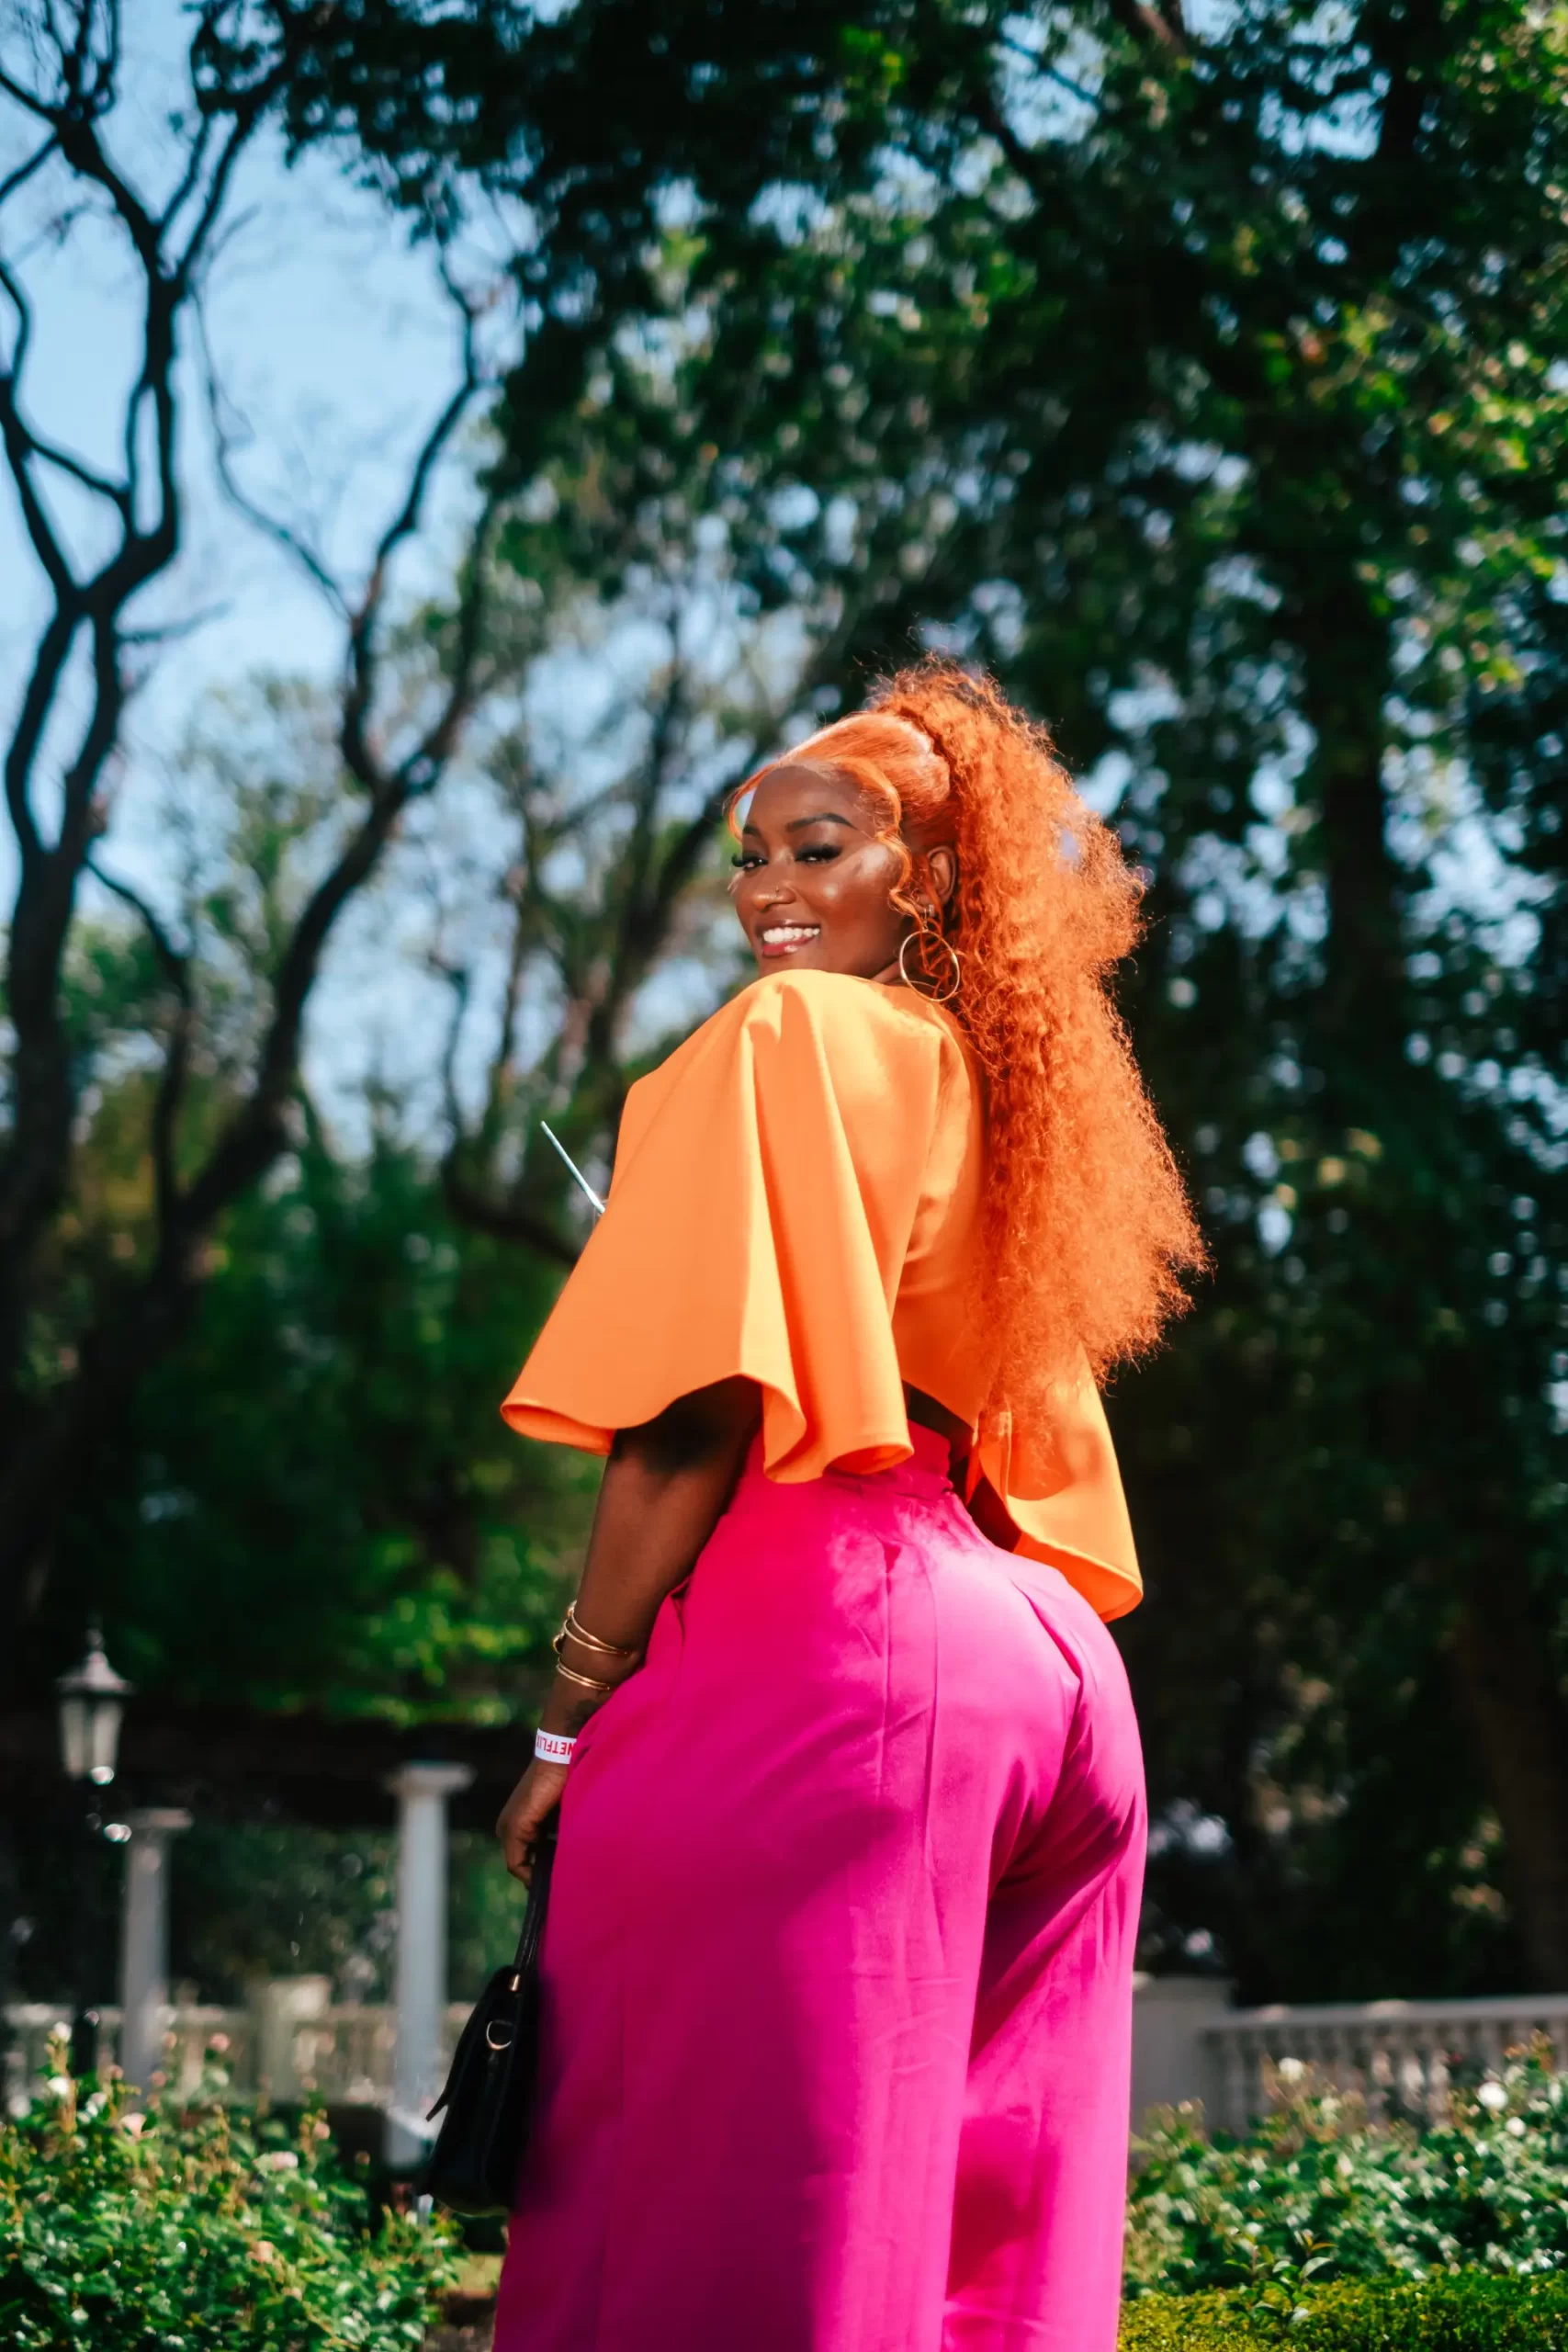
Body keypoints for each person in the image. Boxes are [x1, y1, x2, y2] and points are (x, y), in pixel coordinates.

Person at [491, 661, 1203, 2352]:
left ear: (927, 878)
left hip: (833, 1641)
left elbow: (686, 1422)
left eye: (819, 849)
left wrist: (564, 1722)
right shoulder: (998, 1087)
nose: (769, 891)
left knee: (717, 2231)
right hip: (1042, 1667)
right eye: (750, 856)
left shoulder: (786, 1036)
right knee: (989, 2261)